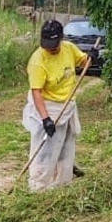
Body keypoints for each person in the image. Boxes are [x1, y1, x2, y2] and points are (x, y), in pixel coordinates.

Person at [22, 20, 93, 192]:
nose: (51, 49)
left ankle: (61, 184)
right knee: (46, 149)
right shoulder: (38, 61)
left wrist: (91, 57)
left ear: (61, 39)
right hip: (47, 105)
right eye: (47, 45)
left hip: (67, 105)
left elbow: (84, 63)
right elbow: (37, 92)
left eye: (54, 45)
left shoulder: (68, 49)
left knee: (66, 146)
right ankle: (38, 186)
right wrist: (46, 119)